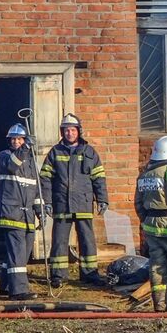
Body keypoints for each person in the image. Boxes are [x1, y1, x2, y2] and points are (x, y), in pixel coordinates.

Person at [39, 113, 108, 287]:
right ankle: (58, 276)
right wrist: (46, 201)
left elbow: (99, 178)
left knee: (87, 240)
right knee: (59, 240)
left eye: (73, 130)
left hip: (83, 203)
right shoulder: (55, 152)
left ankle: (90, 274)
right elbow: (45, 178)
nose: (70, 133)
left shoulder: (90, 152)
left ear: (79, 131)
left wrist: (102, 199)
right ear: (63, 132)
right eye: (67, 130)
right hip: (61, 203)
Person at [135, 135, 167, 311]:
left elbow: (138, 204)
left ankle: (159, 303)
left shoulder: (144, 175)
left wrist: (146, 220)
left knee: (156, 265)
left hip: (150, 225)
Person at [0, 123, 40, 300]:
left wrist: (40, 210)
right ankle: (19, 291)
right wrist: (26, 147)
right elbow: (12, 166)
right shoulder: (4, 156)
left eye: (19, 139)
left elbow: (36, 189)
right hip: (11, 213)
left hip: (27, 215)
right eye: (13, 139)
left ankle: (6, 285)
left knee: (20, 253)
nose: (16, 142)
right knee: (18, 252)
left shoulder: (30, 164)